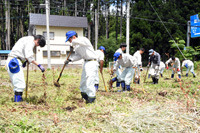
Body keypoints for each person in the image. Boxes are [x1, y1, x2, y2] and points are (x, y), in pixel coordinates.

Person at [6, 35, 46, 102]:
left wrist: (24, 61)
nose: (37, 45)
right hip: (14, 62)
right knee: (20, 83)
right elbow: (29, 56)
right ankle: (18, 102)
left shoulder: (26, 39)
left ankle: (17, 100)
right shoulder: (30, 41)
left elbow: (24, 54)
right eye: (38, 44)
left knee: (17, 83)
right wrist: (39, 65)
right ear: (37, 39)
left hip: (14, 60)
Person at [65, 31, 98, 104]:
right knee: (83, 80)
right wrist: (71, 59)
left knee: (90, 79)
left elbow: (76, 41)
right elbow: (79, 56)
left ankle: (91, 97)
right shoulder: (76, 46)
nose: (69, 42)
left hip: (92, 62)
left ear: (73, 37)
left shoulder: (83, 39)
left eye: (69, 40)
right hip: (86, 62)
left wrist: (72, 44)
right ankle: (84, 95)